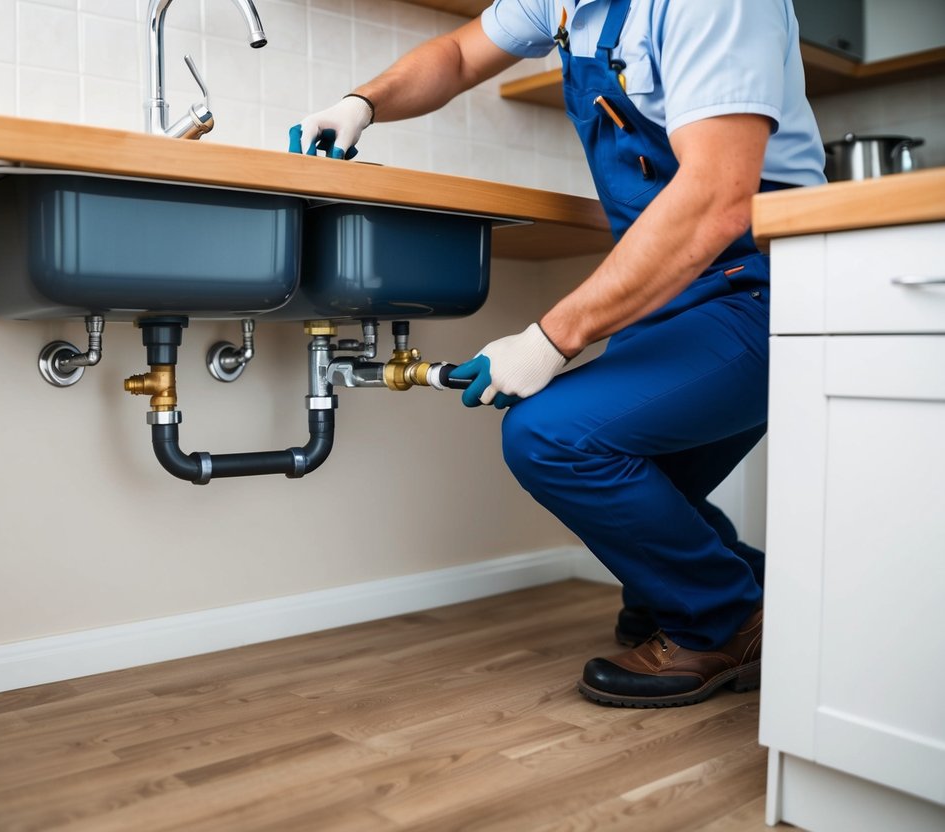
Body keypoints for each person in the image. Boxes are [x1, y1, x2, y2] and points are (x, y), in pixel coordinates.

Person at [290, 0, 826, 708]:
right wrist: (362, 103)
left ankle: (722, 622)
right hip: (674, 287)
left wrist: (548, 339)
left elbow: (715, 199)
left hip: (761, 285)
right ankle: (785, 608)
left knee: (554, 436)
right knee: (643, 491)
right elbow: (455, 56)